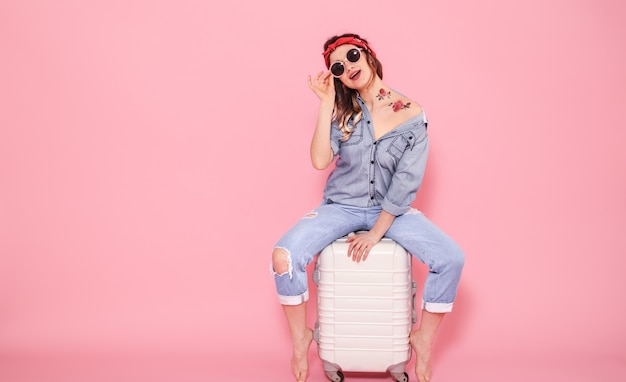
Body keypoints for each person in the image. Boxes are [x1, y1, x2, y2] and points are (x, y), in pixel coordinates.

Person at [270, 33, 464, 382]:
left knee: (450, 258)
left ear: (370, 57)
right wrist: (326, 103)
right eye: (339, 67)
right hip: (341, 206)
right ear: (339, 77)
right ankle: (301, 341)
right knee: (283, 256)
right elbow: (319, 160)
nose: (350, 67)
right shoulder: (343, 112)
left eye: (354, 56)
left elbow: (406, 182)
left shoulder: (411, 113)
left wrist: (377, 232)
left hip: (391, 210)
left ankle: (423, 341)